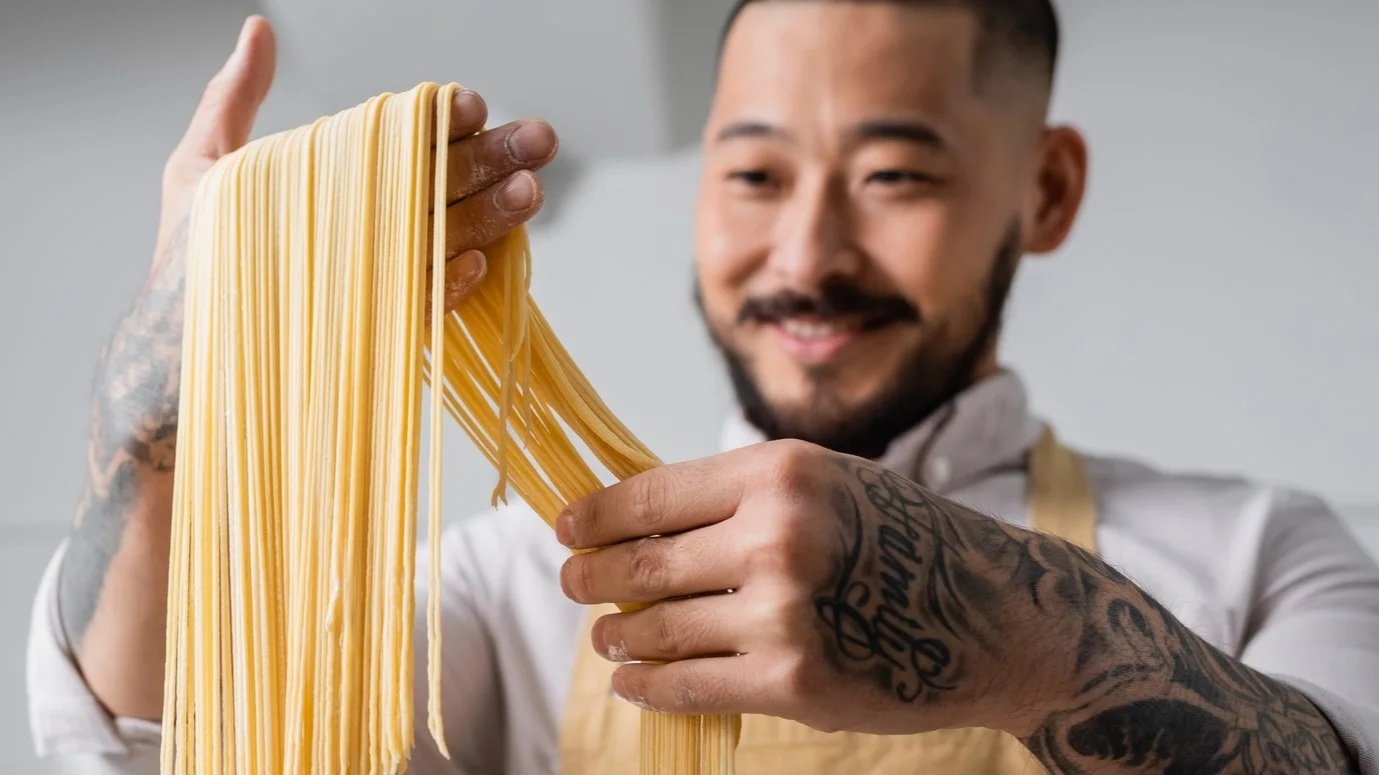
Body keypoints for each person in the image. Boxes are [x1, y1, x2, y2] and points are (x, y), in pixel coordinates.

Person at [27, 1, 1379, 773]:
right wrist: (160, 398)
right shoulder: (518, 584)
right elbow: (145, 751)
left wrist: (1008, 636)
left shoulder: (1268, 555)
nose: (806, 254)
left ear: (1047, 187)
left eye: (894, 174)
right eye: (751, 173)